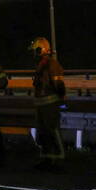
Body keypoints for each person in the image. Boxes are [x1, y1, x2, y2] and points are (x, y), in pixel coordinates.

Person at [29, 37, 66, 171]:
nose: (33, 54)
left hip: (50, 104)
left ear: (41, 50)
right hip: (41, 104)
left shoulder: (52, 64)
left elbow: (59, 85)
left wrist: (60, 100)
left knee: (53, 131)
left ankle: (59, 160)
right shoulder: (41, 65)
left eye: (34, 50)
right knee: (43, 132)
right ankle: (47, 158)